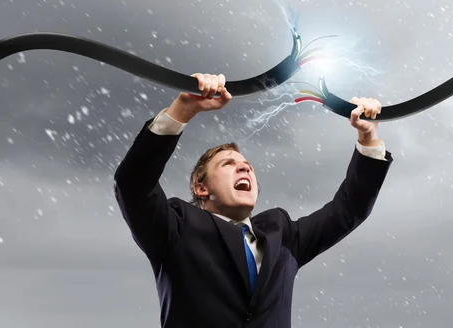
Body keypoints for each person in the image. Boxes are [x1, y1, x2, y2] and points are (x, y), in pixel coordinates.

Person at [113, 73, 393, 328]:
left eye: (247, 164)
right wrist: (183, 110)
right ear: (201, 188)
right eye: (228, 164)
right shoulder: (175, 227)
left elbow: (349, 209)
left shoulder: (283, 235)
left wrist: (368, 138)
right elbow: (133, 184)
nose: (244, 167)